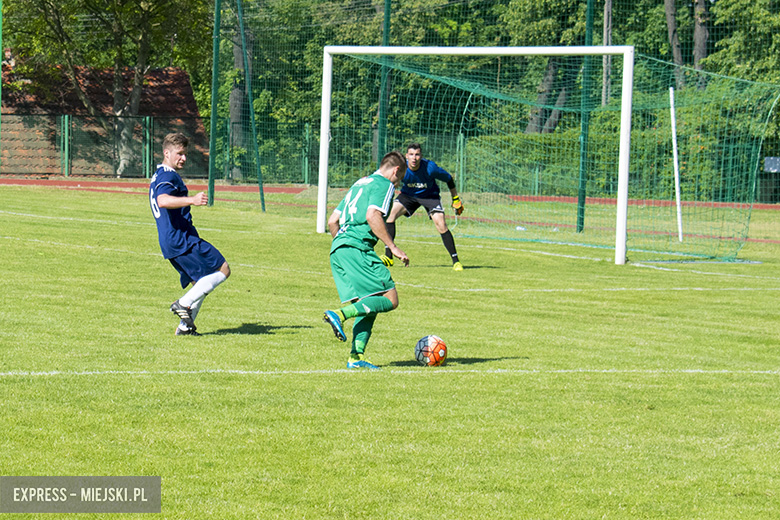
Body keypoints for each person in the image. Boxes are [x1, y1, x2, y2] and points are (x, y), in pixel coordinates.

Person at [323, 151, 409, 370]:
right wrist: (393, 247)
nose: (397, 184)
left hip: (339, 248)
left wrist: (343, 243)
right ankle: (339, 315)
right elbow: (372, 216)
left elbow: (333, 221)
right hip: (357, 247)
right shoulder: (384, 185)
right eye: (398, 180)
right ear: (396, 170)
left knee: (368, 303)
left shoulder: (360, 183)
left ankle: (355, 357)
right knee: (390, 298)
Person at [149, 132, 231, 336]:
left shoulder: (159, 174)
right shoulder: (168, 175)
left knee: (200, 283)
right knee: (222, 269)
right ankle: (182, 304)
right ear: (166, 153)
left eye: (185, 154)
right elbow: (163, 201)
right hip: (181, 239)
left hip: (171, 241)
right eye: (179, 153)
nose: (183, 158)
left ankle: (185, 328)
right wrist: (192, 200)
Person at [383, 142, 465, 271]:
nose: (414, 158)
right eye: (411, 154)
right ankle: (388, 257)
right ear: (406, 156)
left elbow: (449, 179)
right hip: (408, 195)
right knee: (390, 215)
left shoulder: (430, 168)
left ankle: (456, 261)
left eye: (417, 155)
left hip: (430, 197)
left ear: (421, 156)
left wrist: (455, 199)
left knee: (441, 224)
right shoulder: (401, 167)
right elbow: (389, 181)